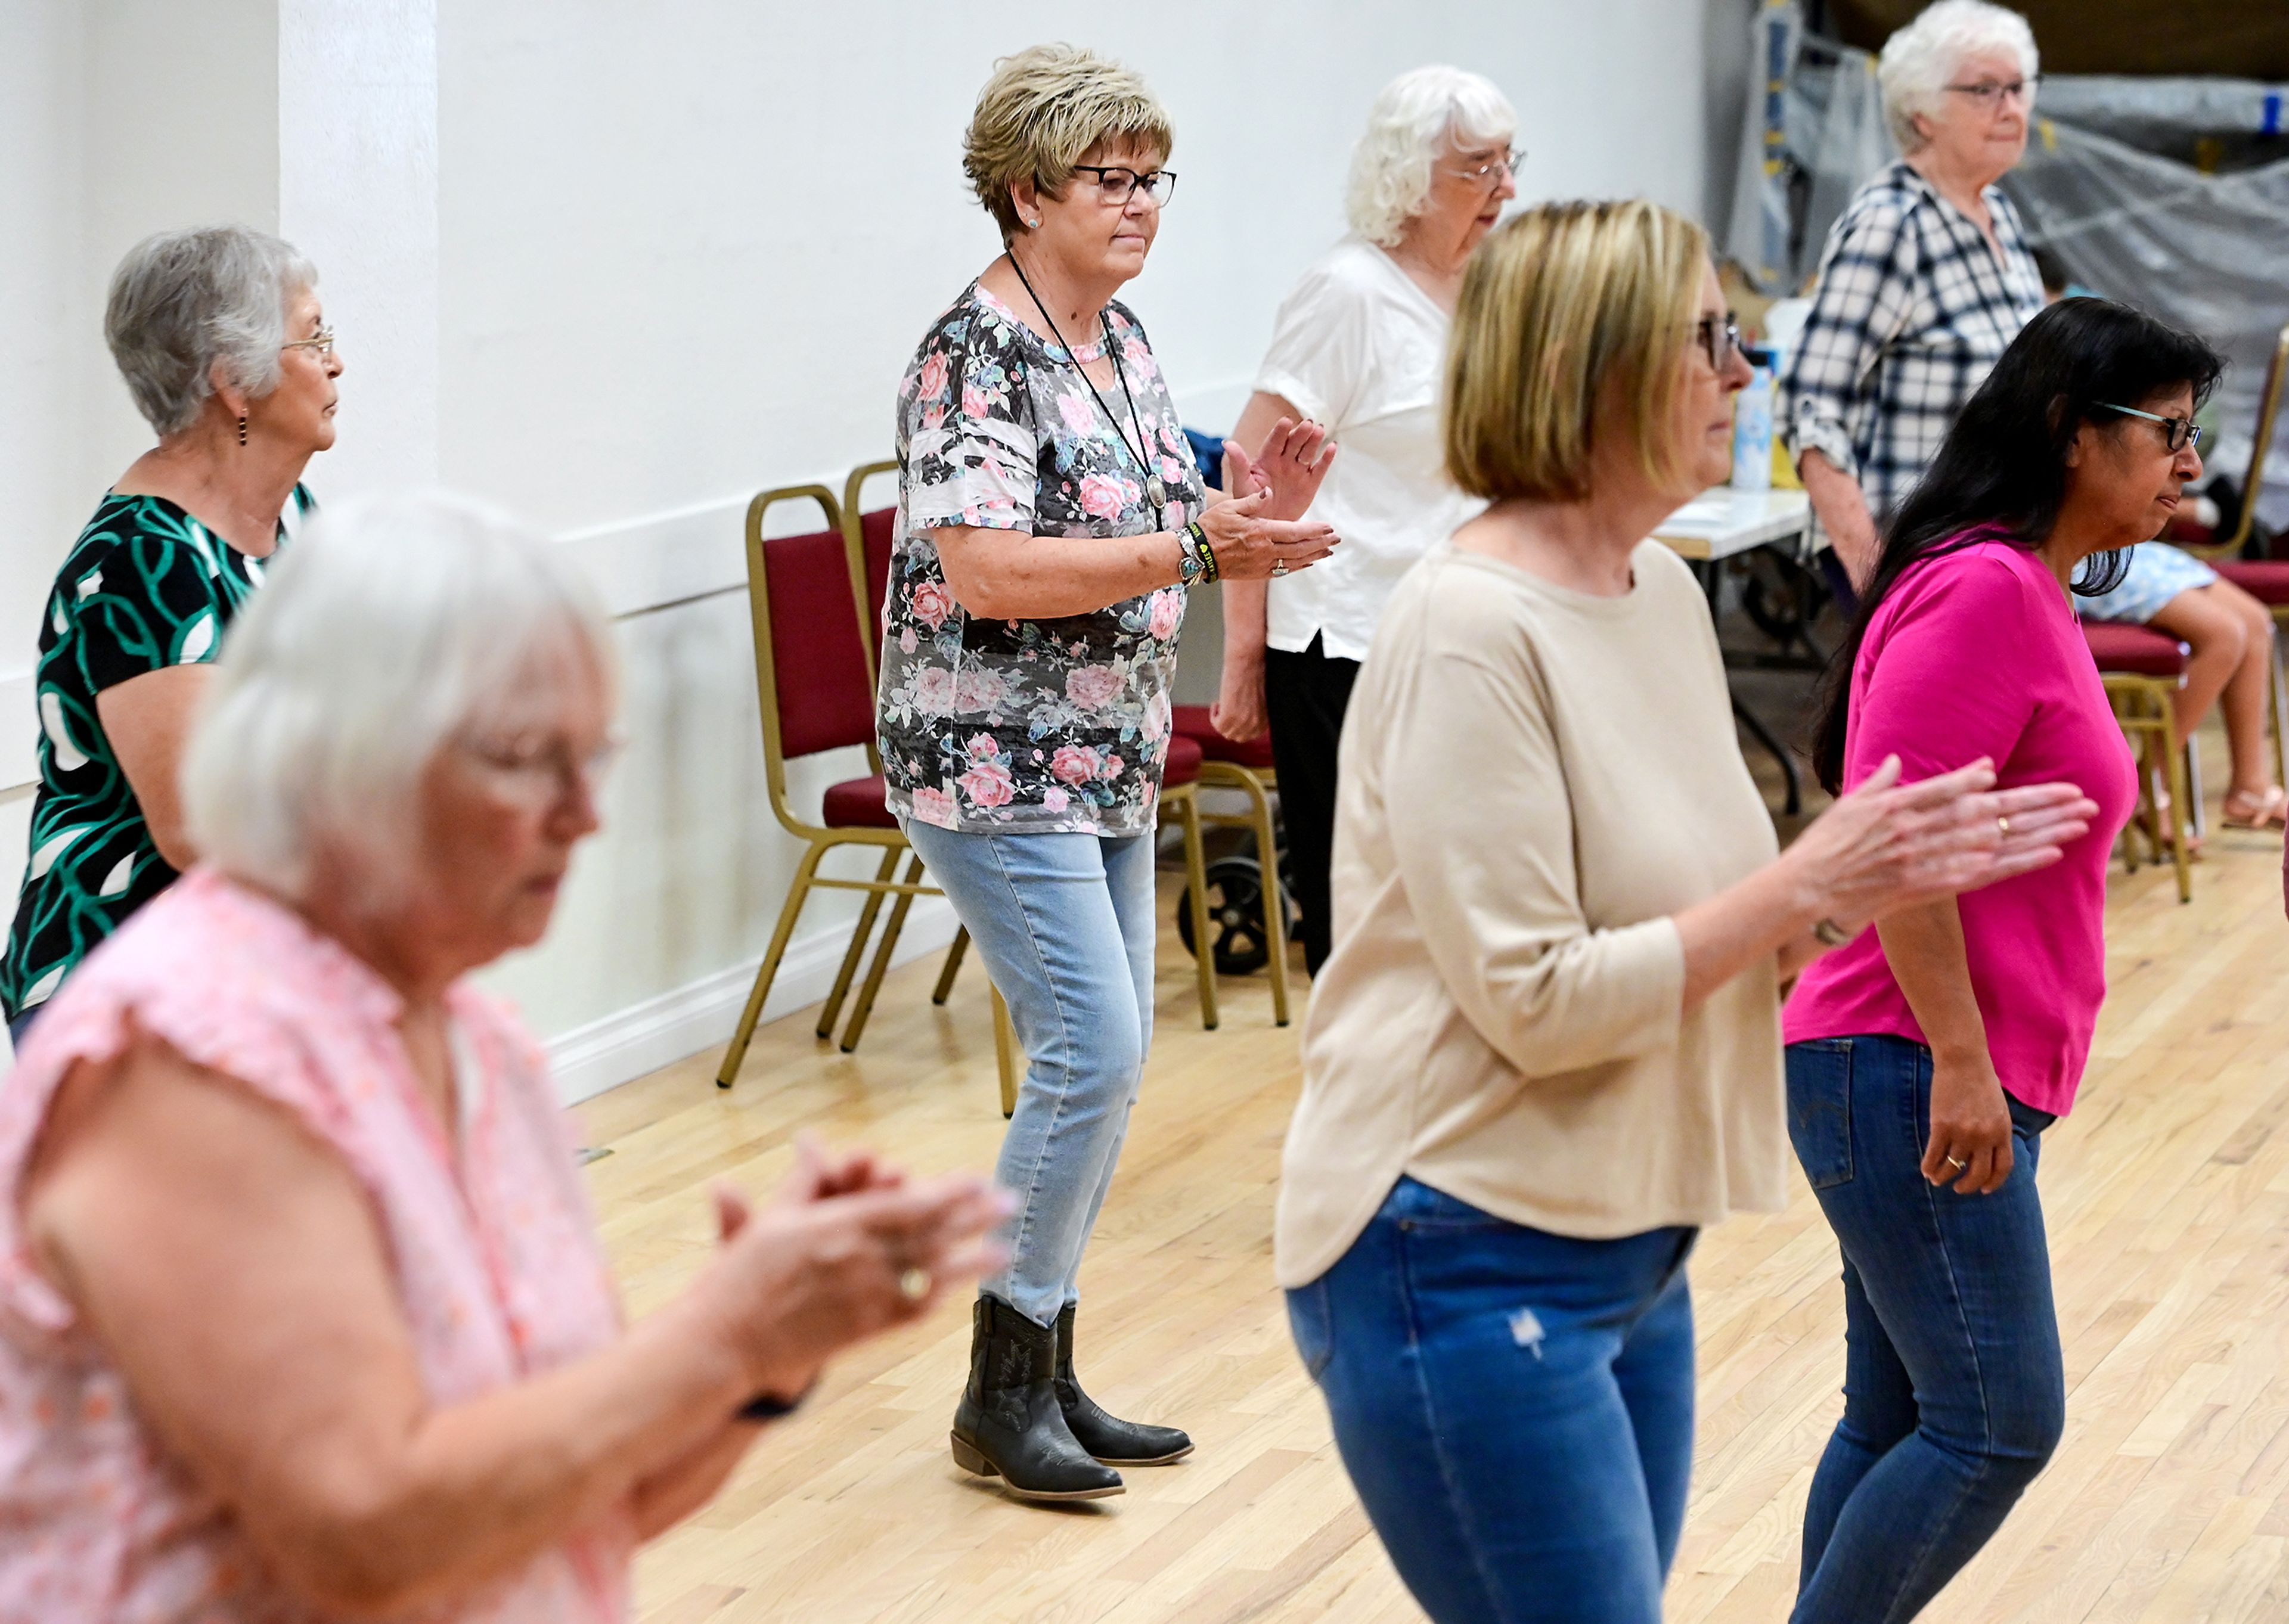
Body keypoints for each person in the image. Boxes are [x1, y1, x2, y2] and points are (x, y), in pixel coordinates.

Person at [1274, 198, 2095, 1624]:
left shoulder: (1650, 587)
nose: (1740, 373)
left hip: (1628, 1237)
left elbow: (1715, 920)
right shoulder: (1467, 627)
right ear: (1588, 371)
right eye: (1711, 339)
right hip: (1452, 1244)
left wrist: (1868, 877)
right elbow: (1535, 1002)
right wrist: (1812, 875)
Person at [0, 492, 1009, 1620]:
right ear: (345, 757)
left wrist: (769, 1360)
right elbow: (364, 1532)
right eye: (531, 760)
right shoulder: (190, 1061)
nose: (585, 815)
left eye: (595, 759)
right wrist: (727, 1330)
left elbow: (573, 1501)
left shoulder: (478, 1042)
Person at [876, 44, 1338, 1504]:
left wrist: (1243, 500)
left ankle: (1044, 1365)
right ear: (1023, 193)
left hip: (1104, 752)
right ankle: (997, 1387)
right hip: (989, 753)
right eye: (1110, 181)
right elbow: (993, 568)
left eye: (1153, 180)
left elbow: (1153, 491)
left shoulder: (1114, 336)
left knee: (1111, 1048)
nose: (1141, 206)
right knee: (1095, 1049)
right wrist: (1204, 548)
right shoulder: (973, 352)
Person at [1782, 301, 2211, 1620]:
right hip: (1906, 1060)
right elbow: (1895, 837)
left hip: (1920, 1062)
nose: (2190, 467)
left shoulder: (2024, 585)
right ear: (2074, 435)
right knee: (1998, 1423)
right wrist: (1962, 1059)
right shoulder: (1981, 586)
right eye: (2169, 435)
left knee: (1899, 1413)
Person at [3, 226, 340, 1048]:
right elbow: (204, 830)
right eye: (314, 336)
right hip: (127, 986)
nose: (335, 362)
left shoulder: (291, 518)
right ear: (235, 381)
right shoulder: (142, 560)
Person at [1211, 65, 1515, 972]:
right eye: (1478, 167)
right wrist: (1241, 656)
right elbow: (1245, 477)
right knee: (1366, 923)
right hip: (1344, 648)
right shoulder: (1348, 293)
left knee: (1460, 912)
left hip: (1457, 639)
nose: (1505, 187)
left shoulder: (1490, 286)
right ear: (1407, 178)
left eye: (1509, 163)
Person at [1781, 0, 2043, 598]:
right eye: (1984, 90)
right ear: (1922, 113)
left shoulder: (1997, 211)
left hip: (1996, 551)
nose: (2011, 108)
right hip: (1915, 562)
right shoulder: (1892, 224)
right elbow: (1807, 402)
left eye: (2018, 87)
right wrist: (1873, 568)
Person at [2075, 526, 2283, 831]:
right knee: (2224, 636)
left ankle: (2251, 785)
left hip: (2126, 547)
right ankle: (2149, 782)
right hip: (2082, 557)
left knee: (2255, 621)